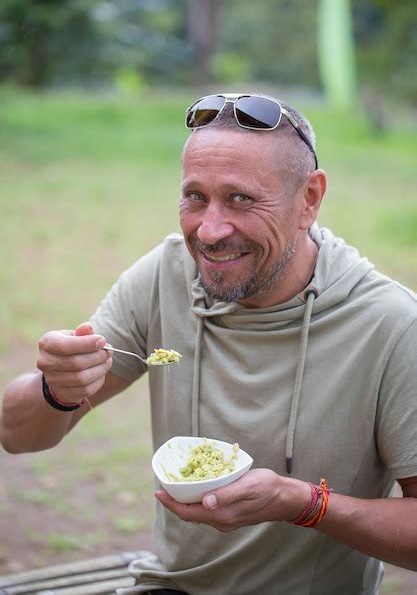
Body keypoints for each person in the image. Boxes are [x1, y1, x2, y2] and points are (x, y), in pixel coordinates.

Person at [1, 93, 417, 595]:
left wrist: (306, 504)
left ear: (309, 199)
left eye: (241, 199)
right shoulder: (166, 275)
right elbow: (17, 435)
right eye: (195, 197)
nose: (210, 230)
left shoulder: (391, 326)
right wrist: (57, 389)